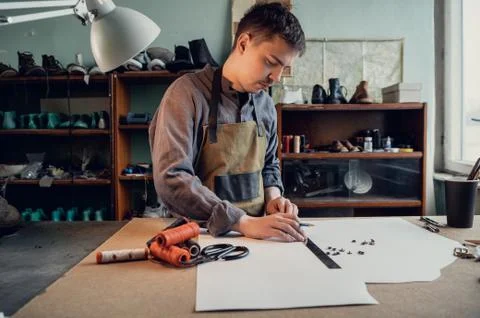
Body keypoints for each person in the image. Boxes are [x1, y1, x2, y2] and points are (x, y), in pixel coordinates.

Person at [149, 2, 306, 242]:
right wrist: (241, 222)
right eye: (271, 62)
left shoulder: (265, 106)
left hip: (257, 236)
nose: (275, 77)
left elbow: (269, 166)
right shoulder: (186, 94)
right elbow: (172, 177)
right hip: (200, 235)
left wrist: (274, 199)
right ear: (243, 43)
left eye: (283, 68)